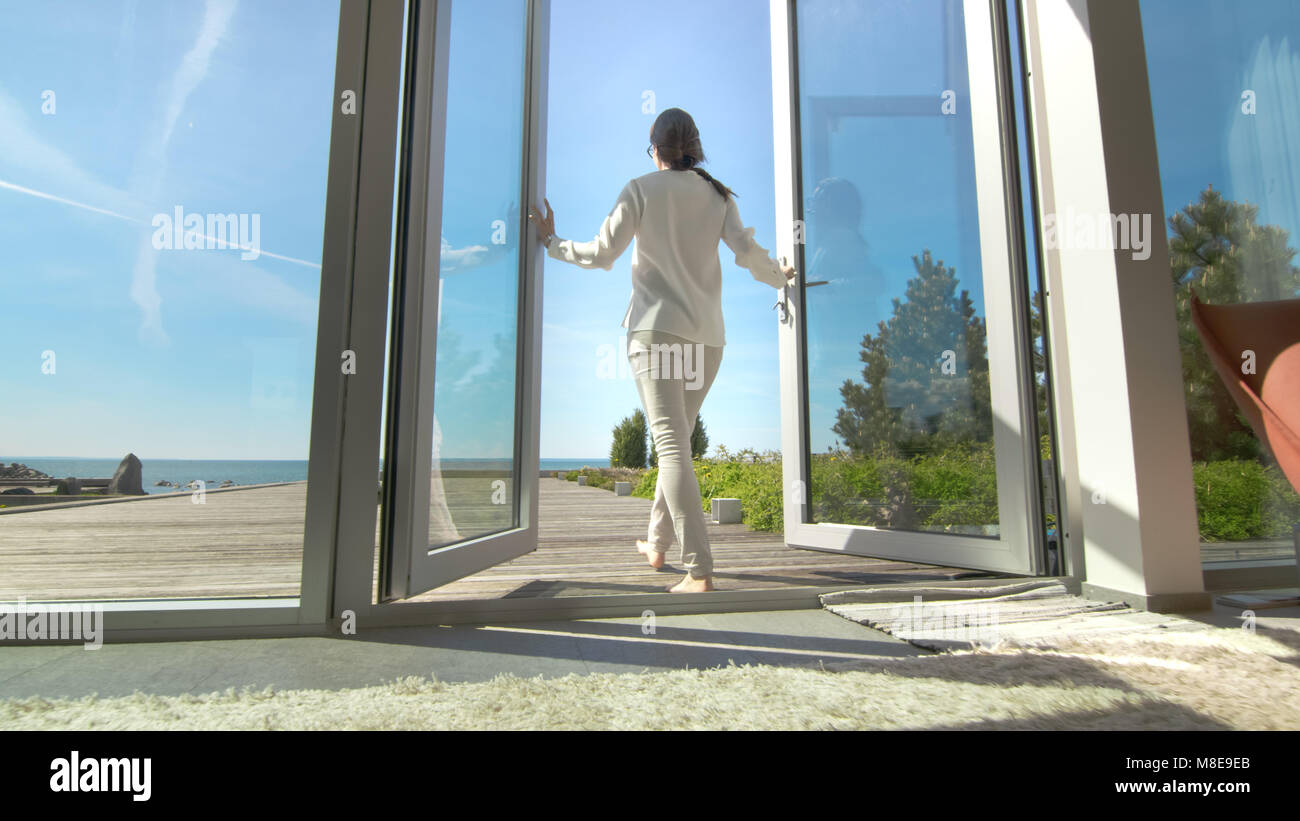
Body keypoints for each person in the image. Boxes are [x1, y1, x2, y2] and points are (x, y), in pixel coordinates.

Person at [529, 107, 795, 593]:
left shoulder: (640, 189)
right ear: (695, 147)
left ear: (655, 149)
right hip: (708, 339)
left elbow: (601, 254)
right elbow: (749, 254)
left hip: (655, 335)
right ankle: (657, 544)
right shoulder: (718, 195)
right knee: (679, 443)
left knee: (671, 445)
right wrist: (781, 277)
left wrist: (551, 242)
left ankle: (699, 571)